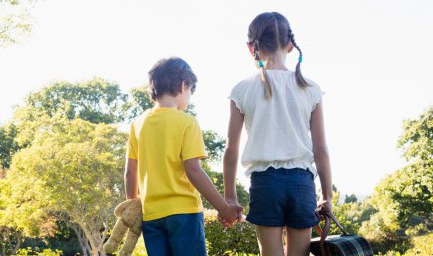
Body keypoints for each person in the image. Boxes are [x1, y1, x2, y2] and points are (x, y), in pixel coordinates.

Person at [222, 12, 334, 256]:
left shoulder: (241, 90)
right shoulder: (310, 89)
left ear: (251, 46)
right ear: (290, 45)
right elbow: (321, 149)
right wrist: (326, 196)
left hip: (265, 184)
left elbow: (231, 150)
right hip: (302, 184)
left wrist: (229, 197)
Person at [125, 57, 242, 256]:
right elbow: (193, 170)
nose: (188, 100)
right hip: (184, 213)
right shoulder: (187, 122)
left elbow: (130, 173)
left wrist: (132, 205)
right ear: (183, 85)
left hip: (151, 216)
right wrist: (223, 207)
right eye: (190, 93)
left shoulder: (138, 124)